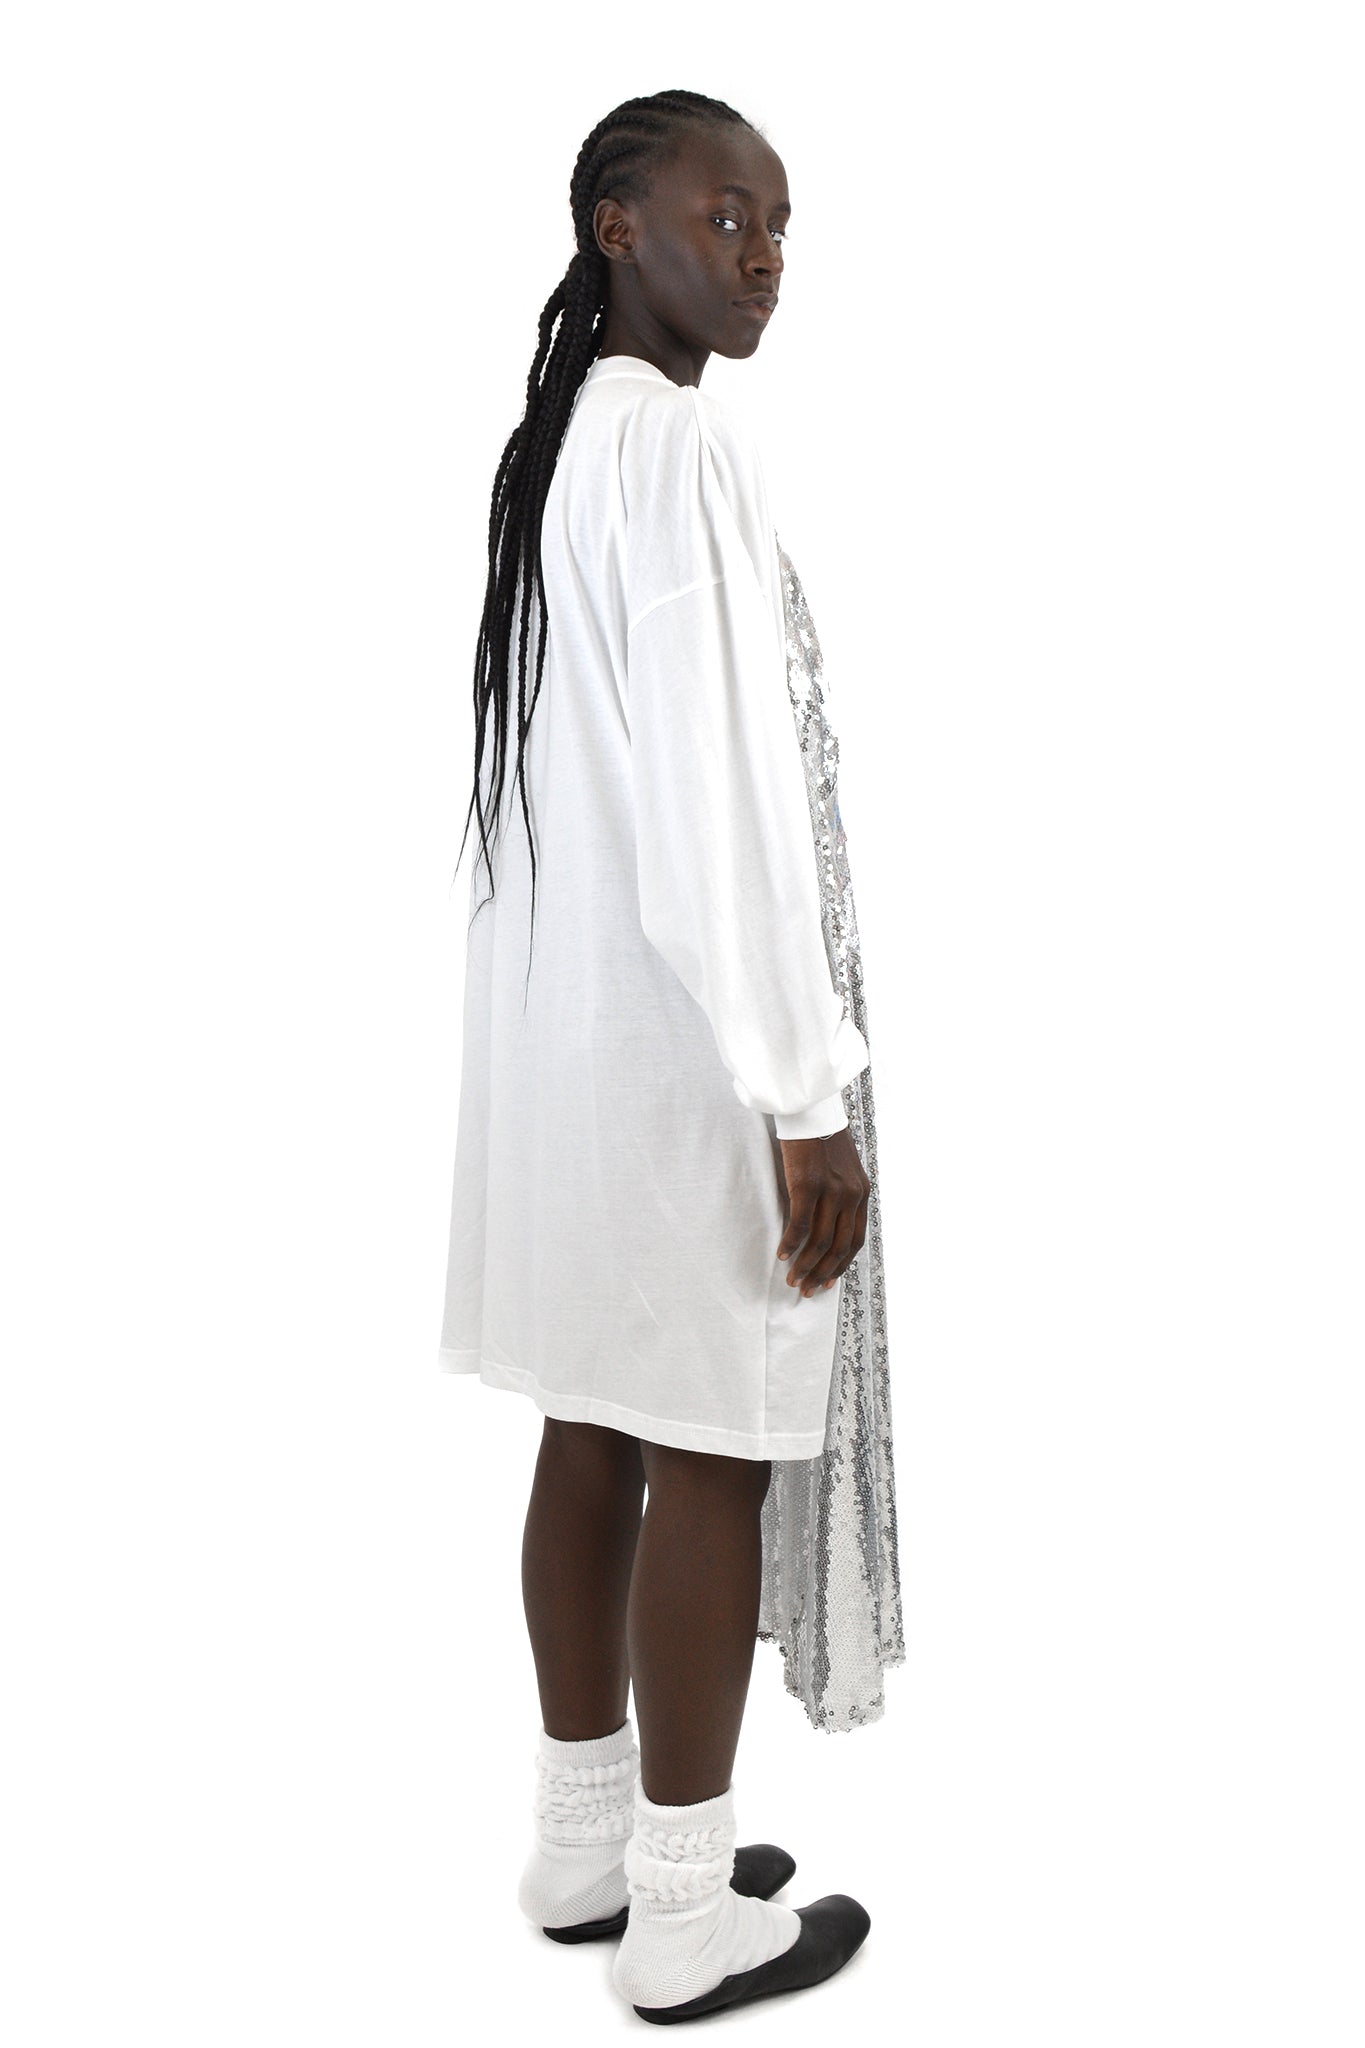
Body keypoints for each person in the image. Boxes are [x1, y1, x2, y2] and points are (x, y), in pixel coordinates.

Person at [436, 88, 903, 2022]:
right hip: (687, 1058)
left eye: (781, 226)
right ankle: (687, 1918)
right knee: (707, 1448)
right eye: (728, 216)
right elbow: (723, 808)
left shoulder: (570, 442)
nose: (763, 256)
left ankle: (586, 1850)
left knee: (594, 1425)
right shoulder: (676, 450)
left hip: (574, 1051)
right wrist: (805, 1091)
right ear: (616, 227)